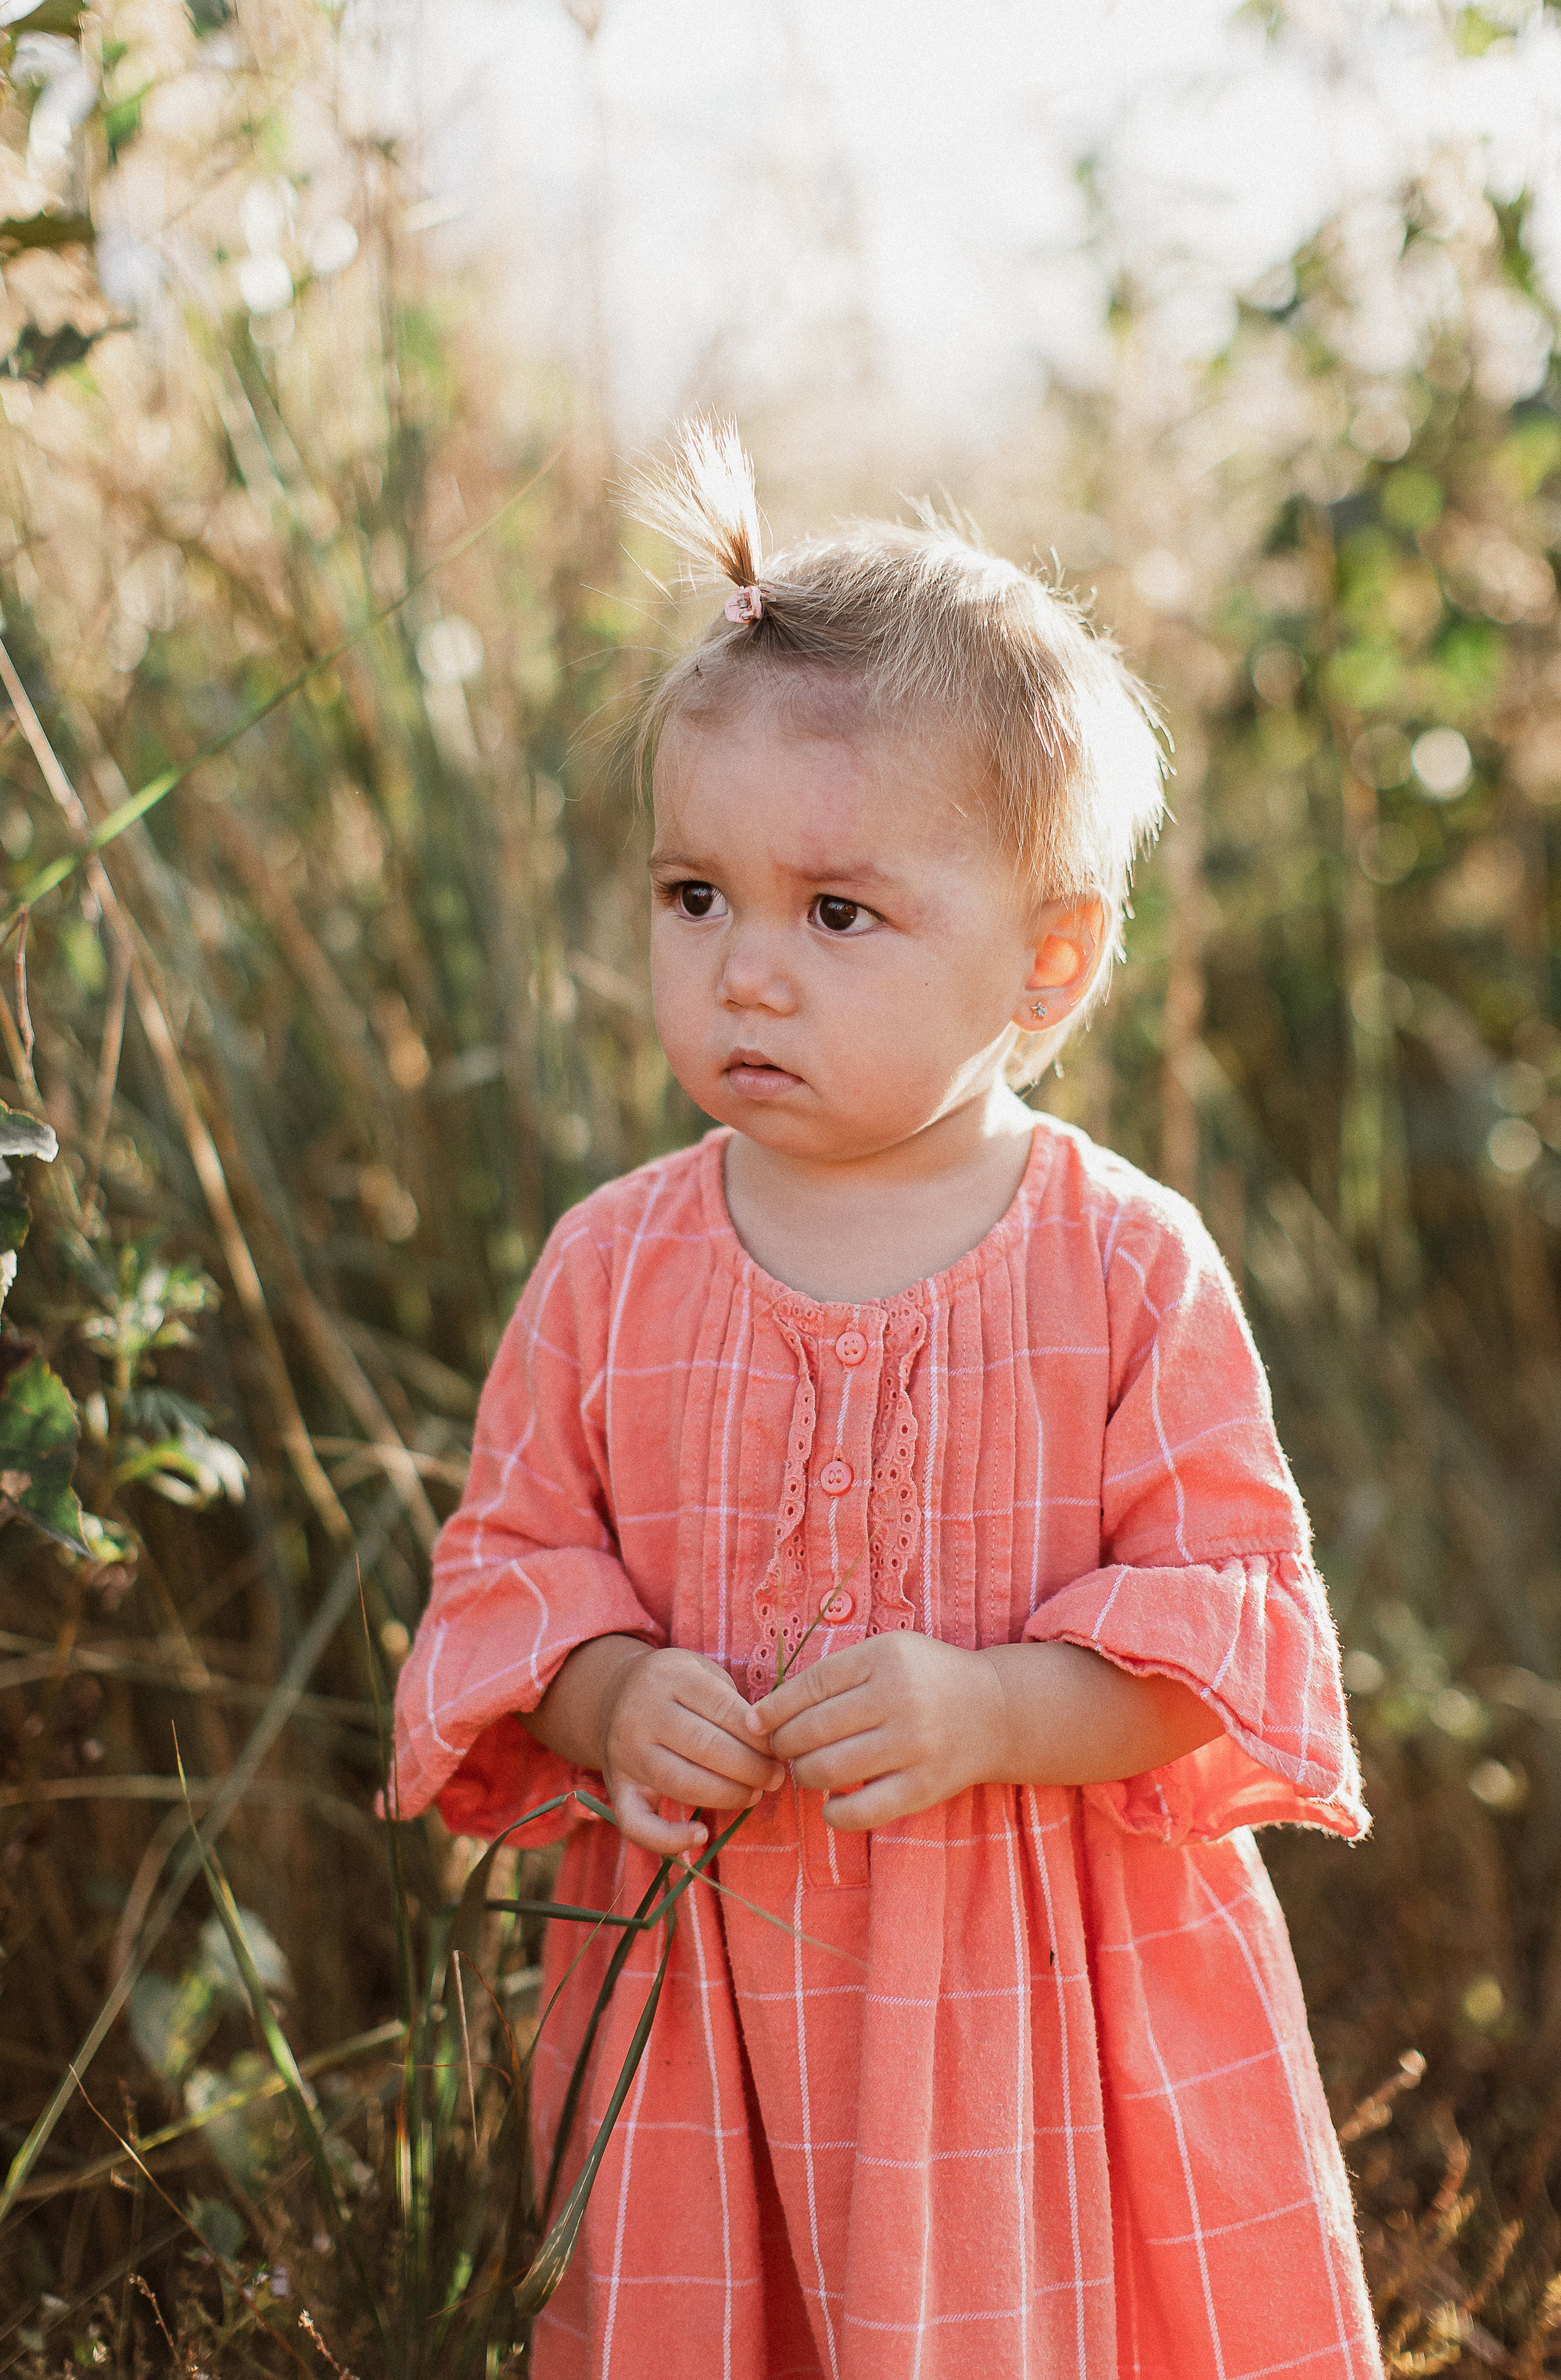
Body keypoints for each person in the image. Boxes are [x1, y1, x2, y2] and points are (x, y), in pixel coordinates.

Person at [390, 420, 1381, 2379]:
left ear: (1047, 959)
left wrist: (996, 1704)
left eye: (837, 916)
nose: (747, 974)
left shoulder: (1120, 1263)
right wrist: (609, 1694)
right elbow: (508, 1576)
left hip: (1037, 2029)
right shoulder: (615, 1268)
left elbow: (1225, 1636)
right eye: (696, 898)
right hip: (708, 2014)